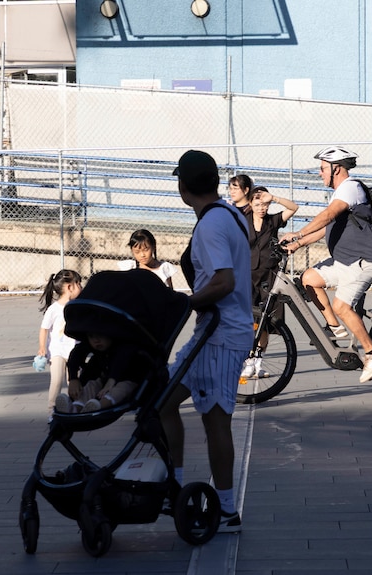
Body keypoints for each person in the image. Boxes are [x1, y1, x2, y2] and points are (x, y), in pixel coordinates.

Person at [160, 150, 252, 533]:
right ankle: (174, 487)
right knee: (162, 403)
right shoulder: (229, 214)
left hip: (220, 336)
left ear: (184, 186)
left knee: (216, 423)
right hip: (213, 333)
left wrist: (185, 302)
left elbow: (224, 281)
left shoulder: (213, 224)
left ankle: (227, 510)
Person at [280, 146, 372, 383]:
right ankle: (336, 328)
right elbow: (326, 229)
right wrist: (297, 244)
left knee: (342, 306)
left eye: (322, 169)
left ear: (335, 168)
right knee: (309, 279)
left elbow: (328, 216)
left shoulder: (350, 188)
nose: (319, 173)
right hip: (347, 261)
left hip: (365, 262)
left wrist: (298, 233)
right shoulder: (341, 192)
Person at [241, 185, 299, 379]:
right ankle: (249, 361)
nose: (261, 208)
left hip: (269, 276)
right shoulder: (242, 220)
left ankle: (258, 361)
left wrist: (274, 198)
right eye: (257, 204)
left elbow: (293, 208)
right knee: (250, 321)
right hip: (246, 275)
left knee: (265, 321)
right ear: (250, 203)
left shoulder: (272, 221)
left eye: (264, 204)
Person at [54, 332, 146, 413]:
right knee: (91, 385)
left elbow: (121, 361)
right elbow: (77, 353)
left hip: (128, 379)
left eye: (100, 335)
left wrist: (111, 381)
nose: (96, 340)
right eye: (91, 336)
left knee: (121, 389)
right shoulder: (93, 346)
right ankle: (75, 408)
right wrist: (73, 378)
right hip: (104, 380)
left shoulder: (124, 345)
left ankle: (99, 406)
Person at [37, 269, 83, 422]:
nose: (81, 287)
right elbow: (44, 329)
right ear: (70, 287)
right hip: (56, 351)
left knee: (73, 381)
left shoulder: (78, 306)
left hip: (74, 352)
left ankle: (75, 407)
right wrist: (42, 348)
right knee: (56, 380)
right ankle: (52, 411)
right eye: (78, 283)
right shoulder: (54, 309)